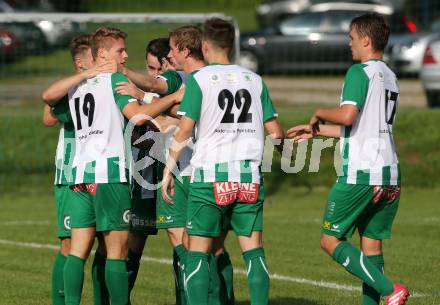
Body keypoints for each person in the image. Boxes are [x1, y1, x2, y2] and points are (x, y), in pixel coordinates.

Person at [43, 26, 181, 305]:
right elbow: (139, 117)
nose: (126, 55)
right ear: (103, 53)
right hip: (109, 175)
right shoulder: (114, 80)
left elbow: (48, 103)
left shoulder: (78, 86)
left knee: (77, 252)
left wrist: (83, 74)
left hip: (80, 177)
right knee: (116, 253)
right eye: (121, 50)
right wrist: (173, 98)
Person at [287, 13, 409, 305]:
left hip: (361, 173)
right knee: (371, 247)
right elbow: (360, 126)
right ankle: (386, 294)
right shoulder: (390, 77)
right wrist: (318, 132)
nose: (349, 44)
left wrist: (317, 112)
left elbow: (347, 115)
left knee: (329, 240)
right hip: (389, 173)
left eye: (351, 38)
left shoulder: (359, 72)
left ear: (366, 40)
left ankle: (390, 289)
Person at [162, 18, 284, 305]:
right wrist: (287, 149)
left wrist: (168, 171)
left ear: (204, 45)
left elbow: (184, 130)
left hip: (210, 178)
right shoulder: (255, 80)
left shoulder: (200, 80)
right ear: (231, 44)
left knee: (198, 253)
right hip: (248, 178)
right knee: (254, 251)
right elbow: (276, 134)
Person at [42, 33, 112, 305]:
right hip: (71, 172)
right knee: (71, 245)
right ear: (83, 62)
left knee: (106, 243)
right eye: (96, 57)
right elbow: (47, 116)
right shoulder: (74, 89)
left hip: (103, 170)